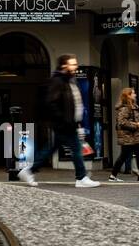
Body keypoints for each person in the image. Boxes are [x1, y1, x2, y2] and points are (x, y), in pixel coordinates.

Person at [18, 54, 99, 188]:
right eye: (72, 64)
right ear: (63, 65)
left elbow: (75, 103)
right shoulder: (58, 81)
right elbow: (51, 103)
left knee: (52, 148)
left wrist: (78, 122)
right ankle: (81, 177)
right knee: (76, 148)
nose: (75, 66)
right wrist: (63, 119)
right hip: (64, 123)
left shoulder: (70, 81)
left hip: (70, 122)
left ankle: (29, 170)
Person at [108, 88, 139, 181]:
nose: (135, 95)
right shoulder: (125, 108)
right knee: (124, 156)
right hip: (127, 136)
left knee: (137, 155)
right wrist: (136, 125)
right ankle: (113, 176)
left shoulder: (134, 106)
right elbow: (122, 122)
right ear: (128, 95)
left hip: (134, 136)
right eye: (133, 93)